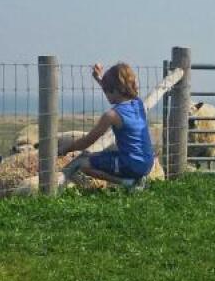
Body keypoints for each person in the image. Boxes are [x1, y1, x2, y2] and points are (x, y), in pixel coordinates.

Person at [58, 62, 155, 190]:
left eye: (106, 90)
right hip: (147, 163)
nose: (105, 94)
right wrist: (98, 78)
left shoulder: (112, 115)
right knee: (98, 155)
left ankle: (129, 183)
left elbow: (87, 141)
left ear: (114, 90)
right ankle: (137, 178)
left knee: (82, 163)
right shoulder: (138, 103)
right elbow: (116, 88)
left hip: (130, 164)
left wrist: (65, 149)